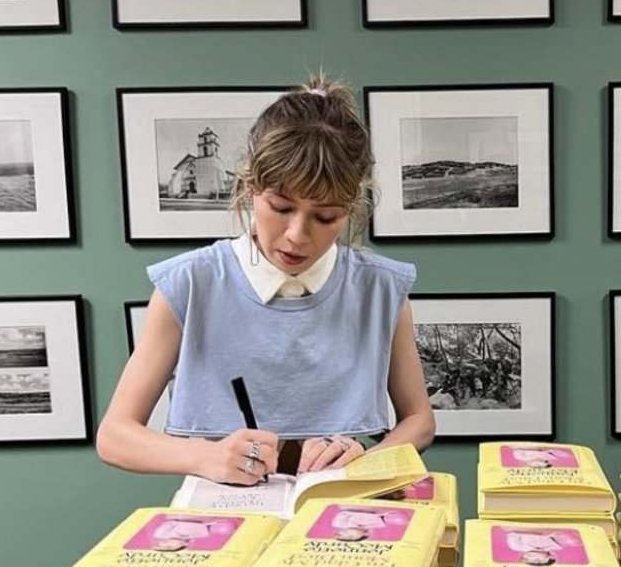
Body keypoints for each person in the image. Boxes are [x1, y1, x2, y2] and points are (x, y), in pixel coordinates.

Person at [97, 77, 435, 485]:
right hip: (225, 521)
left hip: (340, 513)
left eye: (326, 217)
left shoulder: (381, 290)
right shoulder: (190, 283)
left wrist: (367, 460)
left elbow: (419, 420)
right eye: (280, 207)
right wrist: (206, 456)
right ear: (248, 187)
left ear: (353, 209)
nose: (297, 235)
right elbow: (114, 436)